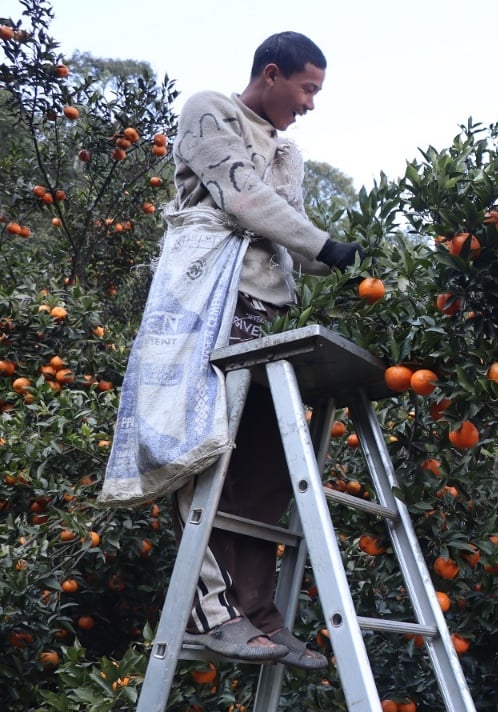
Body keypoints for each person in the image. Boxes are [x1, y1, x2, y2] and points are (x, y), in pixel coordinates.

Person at [104, 32, 362, 667]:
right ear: (271, 75)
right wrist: (325, 246)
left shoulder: (289, 153)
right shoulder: (208, 110)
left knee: (266, 468)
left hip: (266, 315)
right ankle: (210, 614)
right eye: (306, 89)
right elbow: (242, 197)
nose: (309, 105)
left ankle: (260, 615)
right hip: (204, 308)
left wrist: (359, 264)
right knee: (202, 453)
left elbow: (287, 227)